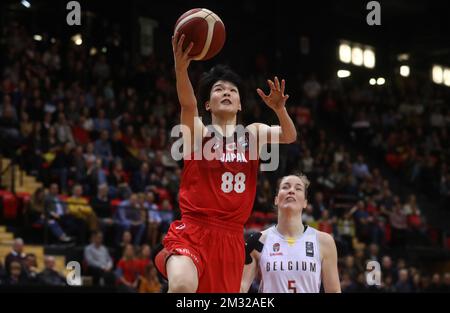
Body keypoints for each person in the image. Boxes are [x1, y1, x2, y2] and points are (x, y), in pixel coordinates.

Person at [152, 32, 297, 293]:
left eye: (232, 91)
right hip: (194, 230)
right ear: (208, 104)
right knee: (183, 286)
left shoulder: (253, 134)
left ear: (240, 104)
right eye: (219, 90)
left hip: (231, 237)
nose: (227, 93)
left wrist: (279, 110)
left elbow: (289, 135)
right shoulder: (198, 132)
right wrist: (181, 69)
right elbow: (187, 104)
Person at [240, 174, 341, 293]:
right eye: (286, 187)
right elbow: (240, 289)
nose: (291, 191)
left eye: (298, 188)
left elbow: (333, 291)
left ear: (305, 203)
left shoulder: (324, 241)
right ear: (276, 199)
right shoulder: (258, 240)